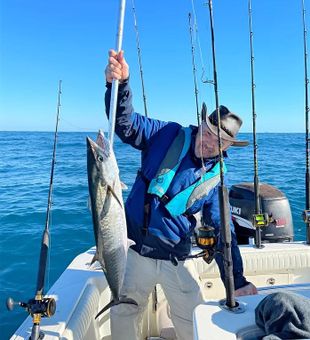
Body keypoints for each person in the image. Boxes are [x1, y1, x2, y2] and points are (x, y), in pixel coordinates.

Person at [105, 49, 258, 340]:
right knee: (123, 311)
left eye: (221, 141)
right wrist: (119, 85)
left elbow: (222, 229)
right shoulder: (166, 134)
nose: (211, 143)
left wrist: (236, 280)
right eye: (209, 132)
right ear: (201, 124)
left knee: (193, 319)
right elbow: (125, 125)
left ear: (228, 148)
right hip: (135, 249)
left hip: (177, 256)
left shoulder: (216, 179)